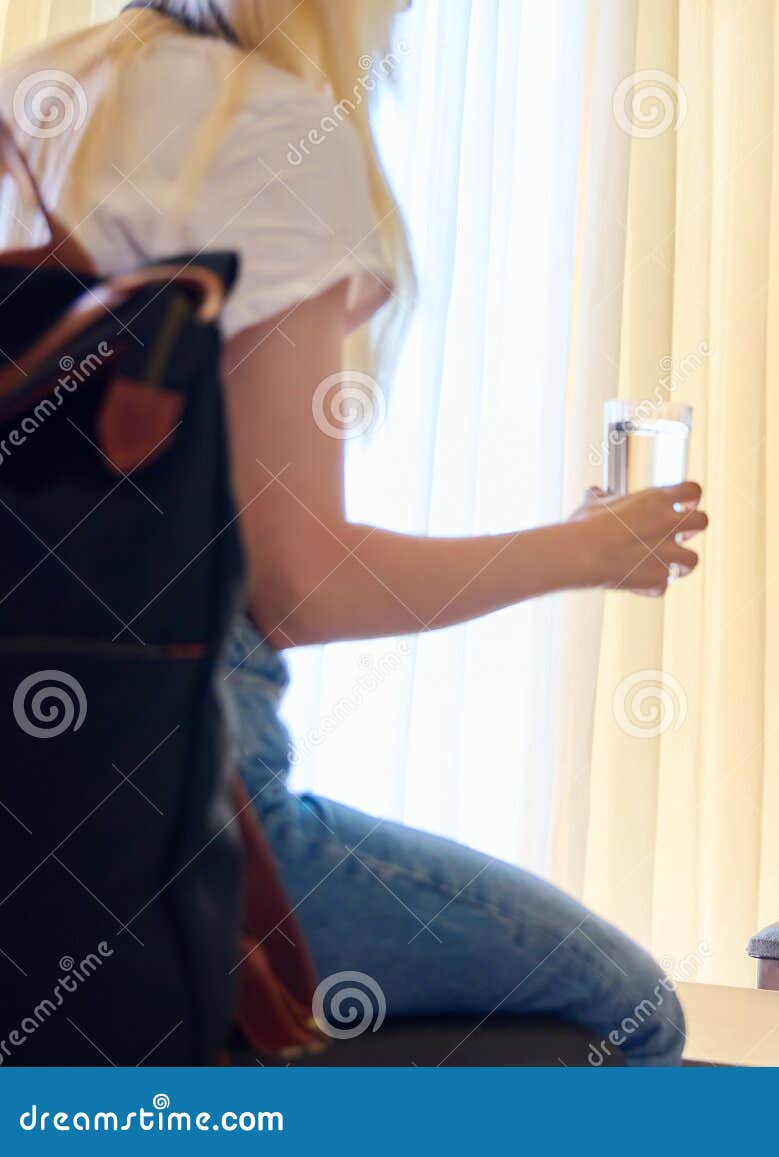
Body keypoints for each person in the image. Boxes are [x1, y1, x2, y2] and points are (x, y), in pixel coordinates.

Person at [0, 1, 701, 1064]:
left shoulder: (30, 99)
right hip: (172, 805)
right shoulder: (265, 129)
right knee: (628, 1009)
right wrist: (589, 550)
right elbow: (302, 585)